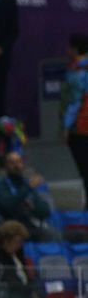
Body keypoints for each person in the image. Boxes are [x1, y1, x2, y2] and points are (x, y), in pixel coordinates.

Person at [0, 152, 55, 242]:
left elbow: (45, 211)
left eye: (19, 162)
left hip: (30, 225)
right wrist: (27, 189)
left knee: (70, 235)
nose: (16, 166)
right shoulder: (2, 186)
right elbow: (6, 206)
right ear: (6, 166)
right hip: (11, 228)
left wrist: (34, 207)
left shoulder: (26, 185)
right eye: (12, 163)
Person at [0, 220, 46, 298]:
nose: (19, 245)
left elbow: (27, 277)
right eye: (17, 241)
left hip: (25, 295)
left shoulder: (18, 255)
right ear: (5, 240)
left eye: (21, 242)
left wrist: (34, 291)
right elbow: (7, 280)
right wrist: (28, 291)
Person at [62, 34, 88, 210]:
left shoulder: (79, 70)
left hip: (81, 129)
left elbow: (75, 101)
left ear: (74, 49)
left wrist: (66, 126)